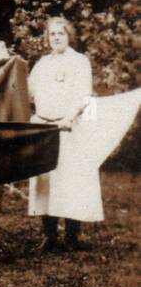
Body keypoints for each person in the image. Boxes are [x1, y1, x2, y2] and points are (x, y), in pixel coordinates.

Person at [28, 16, 101, 251]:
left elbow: (84, 96)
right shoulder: (42, 64)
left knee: (71, 180)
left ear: (69, 36)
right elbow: (29, 93)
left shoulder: (79, 61)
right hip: (45, 128)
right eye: (52, 34)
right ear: (47, 38)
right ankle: (50, 237)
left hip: (70, 128)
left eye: (61, 33)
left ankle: (72, 237)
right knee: (45, 180)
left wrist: (68, 119)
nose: (56, 38)